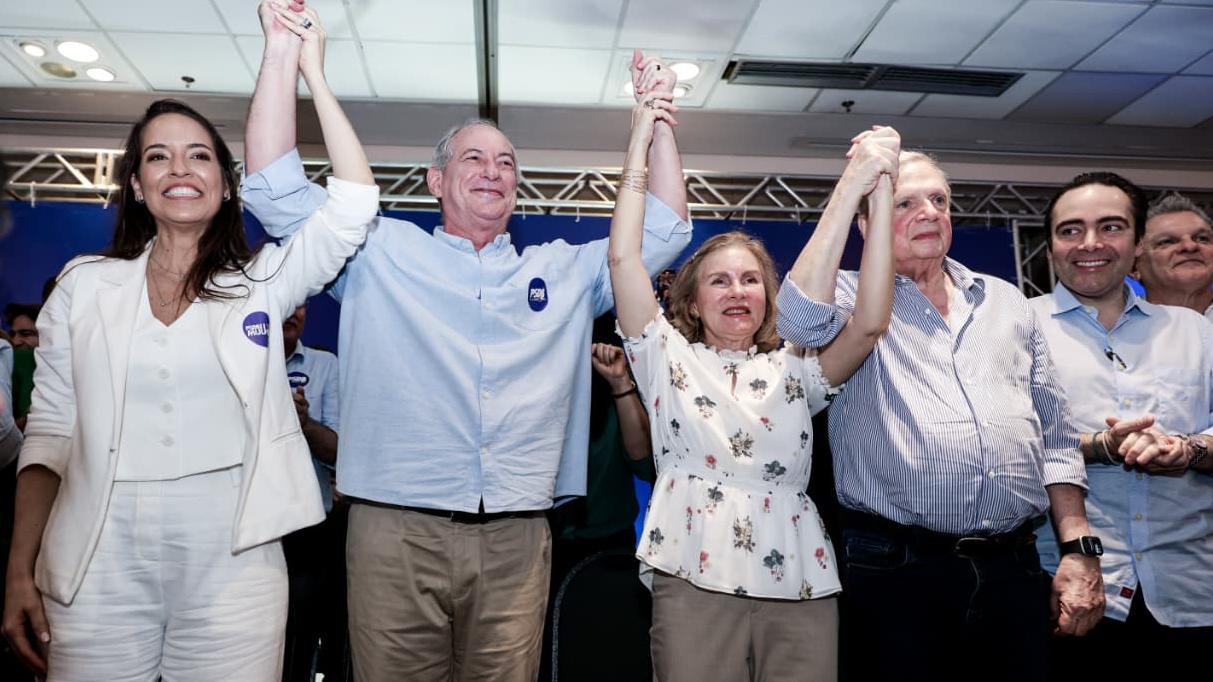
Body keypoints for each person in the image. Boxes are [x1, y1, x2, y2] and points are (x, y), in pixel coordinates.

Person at [239, 5, 692, 673]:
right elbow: (274, 189)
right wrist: (284, 54)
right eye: (472, 158)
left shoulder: (563, 272)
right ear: (436, 181)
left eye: (505, 161)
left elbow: (664, 233)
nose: (491, 169)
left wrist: (654, 124)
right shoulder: (374, 250)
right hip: (394, 530)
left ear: (516, 187)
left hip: (518, 539)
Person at [0, 3, 378, 678]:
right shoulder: (84, 287)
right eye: (159, 156)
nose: (181, 167)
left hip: (233, 558)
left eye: (200, 154)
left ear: (227, 185)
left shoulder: (263, 282)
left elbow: (351, 205)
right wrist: (18, 570)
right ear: (139, 187)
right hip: (96, 553)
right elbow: (49, 437)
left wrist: (306, 68)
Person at [776, 149, 1108, 681]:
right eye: (904, 202)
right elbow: (796, 322)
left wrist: (1078, 549)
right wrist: (853, 185)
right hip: (897, 568)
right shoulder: (847, 297)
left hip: (1013, 566)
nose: (929, 212)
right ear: (867, 224)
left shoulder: (1003, 299)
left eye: (938, 200)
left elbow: (1055, 437)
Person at [610, 99, 896, 678]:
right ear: (691, 301)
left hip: (800, 578)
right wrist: (640, 137)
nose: (737, 291)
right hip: (691, 571)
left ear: (769, 296)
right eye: (719, 281)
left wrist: (881, 186)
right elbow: (622, 256)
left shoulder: (797, 367)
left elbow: (867, 323)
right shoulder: (666, 359)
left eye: (751, 280)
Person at [1029, 172, 1213, 678]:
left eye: (1110, 227)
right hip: (1071, 591)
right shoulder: (1018, 329)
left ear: (1135, 245)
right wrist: (1099, 446)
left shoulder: (1195, 333)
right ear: (1050, 245)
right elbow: (1007, 446)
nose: (1090, 243)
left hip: (1192, 591)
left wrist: (1188, 449)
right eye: (1071, 230)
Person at [279, 304, 348, 682]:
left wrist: (303, 424)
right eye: (285, 301)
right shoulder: (235, 357)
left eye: (303, 303)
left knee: (302, 648)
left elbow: (339, 450)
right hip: (247, 534)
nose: (294, 312)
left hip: (310, 534)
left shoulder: (325, 366)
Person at [1134, 192, 1213, 320]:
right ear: (1134, 268)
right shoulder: (1112, 330)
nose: (1190, 246)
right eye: (1166, 241)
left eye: (1202, 238)